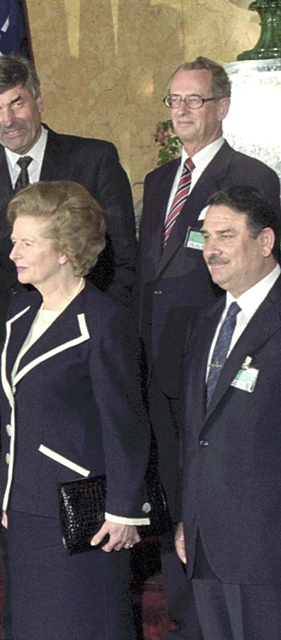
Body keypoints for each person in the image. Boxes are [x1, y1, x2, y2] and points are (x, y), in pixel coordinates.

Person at [138, 57, 281, 640]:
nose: (182, 111)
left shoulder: (252, 177)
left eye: (194, 100)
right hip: (167, 366)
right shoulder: (155, 182)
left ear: (222, 105)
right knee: (181, 491)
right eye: (173, 100)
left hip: (234, 363)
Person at [0, 180, 149, 640]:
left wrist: (124, 510)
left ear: (64, 250)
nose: (13, 254)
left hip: (81, 511)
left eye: (27, 243)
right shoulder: (17, 314)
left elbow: (125, 422)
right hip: (21, 507)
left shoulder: (104, 321)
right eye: (13, 241)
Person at [0, 54, 138, 342]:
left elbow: (124, 255)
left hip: (84, 330)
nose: (8, 120)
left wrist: (107, 324)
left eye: (16, 103)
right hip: (3, 338)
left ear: (40, 102)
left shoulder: (94, 160)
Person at [175, 186, 281, 639]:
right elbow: (195, 434)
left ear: (265, 241)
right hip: (205, 543)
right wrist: (187, 516)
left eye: (226, 235)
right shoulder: (206, 322)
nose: (211, 249)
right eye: (206, 237)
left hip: (267, 547)